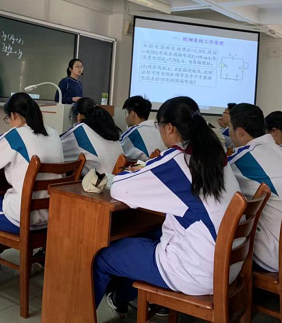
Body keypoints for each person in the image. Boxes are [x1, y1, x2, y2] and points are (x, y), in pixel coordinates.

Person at [93, 97, 240, 317]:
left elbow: (120, 189)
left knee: (103, 256)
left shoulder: (178, 160)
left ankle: (81, 315)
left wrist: (134, 173)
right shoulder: (216, 156)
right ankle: (121, 297)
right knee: (147, 235)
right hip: (228, 266)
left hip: (197, 272)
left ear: (169, 128)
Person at [0, 93, 63, 260]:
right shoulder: (54, 134)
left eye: (8, 118)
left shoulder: (16, 135)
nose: (9, 122)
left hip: (23, 219)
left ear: (14, 115)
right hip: (50, 216)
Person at [228, 104, 282, 272]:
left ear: (240, 132)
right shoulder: (281, 151)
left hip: (278, 254)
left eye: (229, 128)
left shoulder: (241, 161)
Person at [61, 97, 123, 179]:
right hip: (118, 181)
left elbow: (56, 149)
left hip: (101, 184)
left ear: (79, 116)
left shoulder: (80, 131)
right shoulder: (108, 129)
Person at [120, 96, 164, 161]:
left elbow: (117, 151)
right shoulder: (160, 127)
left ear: (132, 114)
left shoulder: (132, 134)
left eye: (125, 113)